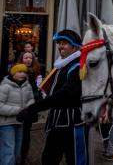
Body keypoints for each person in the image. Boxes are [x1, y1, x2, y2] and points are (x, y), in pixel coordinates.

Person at [17, 29, 87, 165]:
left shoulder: (77, 66)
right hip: (57, 122)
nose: (60, 46)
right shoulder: (63, 64)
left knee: (75, 160)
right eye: (59, 43)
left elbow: (64, 95)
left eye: (65, 43)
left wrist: (32, 109)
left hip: (71, 123)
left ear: (74, 46)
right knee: (48, 159)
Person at [0, 64, 34, 165]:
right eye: (19, 72)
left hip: (20, 122)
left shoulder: (27, 85)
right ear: (13, 73)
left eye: (24, 72)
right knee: (8, 149)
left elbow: (31, 99)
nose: (22, 74)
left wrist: (28, 108)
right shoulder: (5, 86)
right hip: (6, 123)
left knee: (17, 149)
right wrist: (19, 110)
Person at [17, 51, 43, 164]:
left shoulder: (34, 74)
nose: (28, 60)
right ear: (21, 59)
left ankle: (23, 156)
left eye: (30, 58)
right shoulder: (16, 71)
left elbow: (35, 91)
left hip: (29, 109)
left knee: (26, 134)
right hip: (17, 107)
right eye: (25, 57)